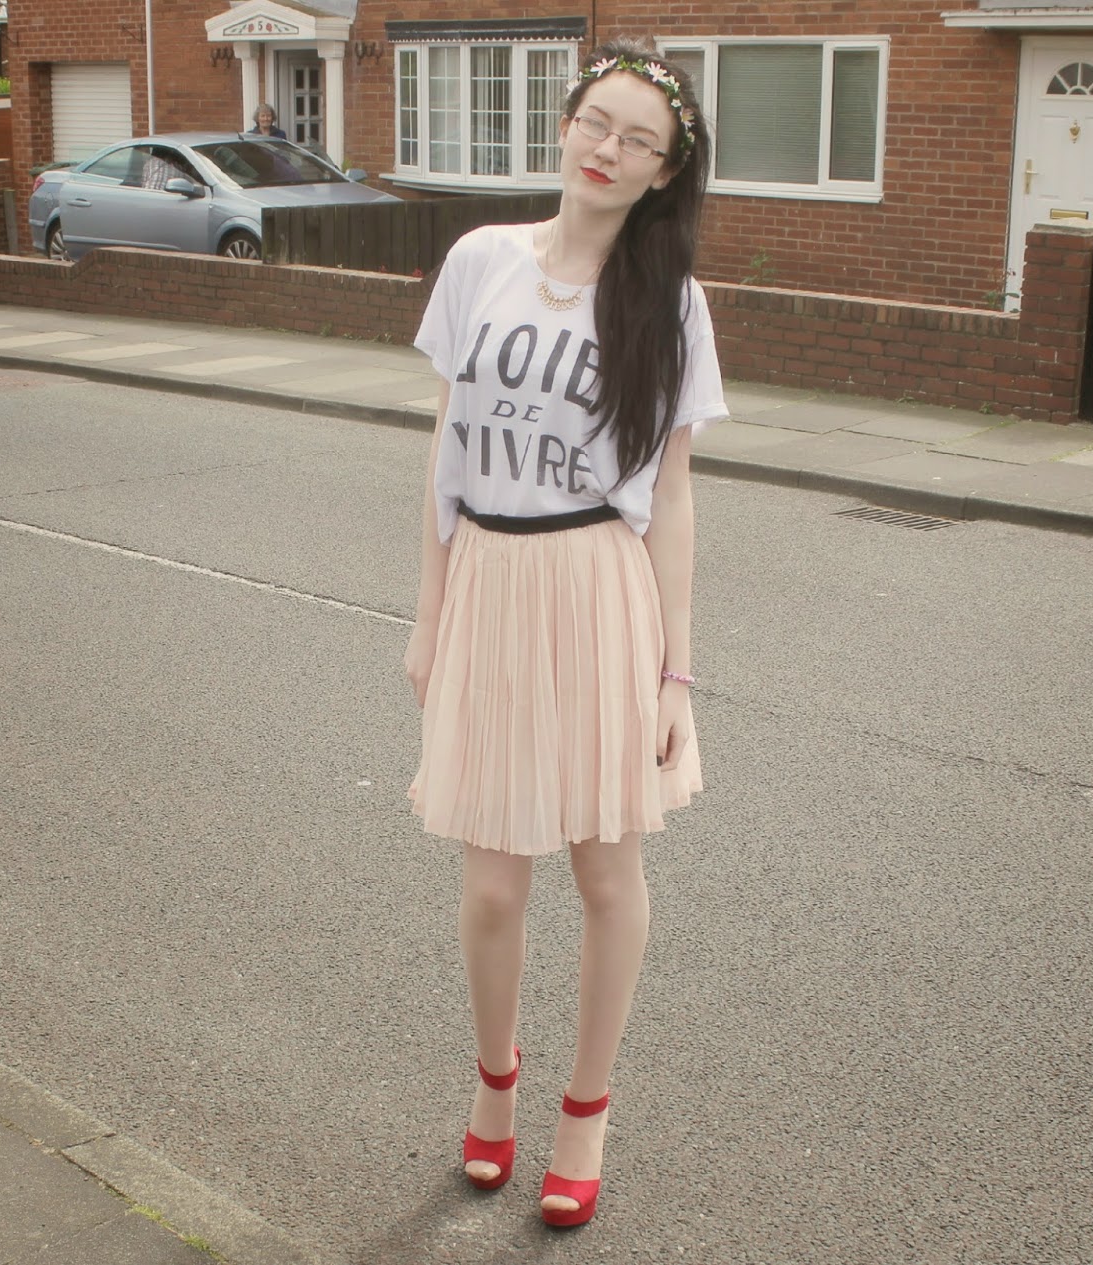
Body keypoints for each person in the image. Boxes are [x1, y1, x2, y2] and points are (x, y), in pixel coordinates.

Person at [402, 40, 723, 1229]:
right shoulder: (480, 259)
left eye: (640, 140)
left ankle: (584, 1109)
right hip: (489, 577)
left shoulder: (670, 302)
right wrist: (430, 614)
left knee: (604, 869)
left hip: (599, 586)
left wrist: (675, 672)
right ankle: (495, 1082)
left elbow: (671, 496)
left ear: (663, 171)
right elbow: (445, 451)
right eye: (598, 122)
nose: (608, 149)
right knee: (492, 884)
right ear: (566, 123)